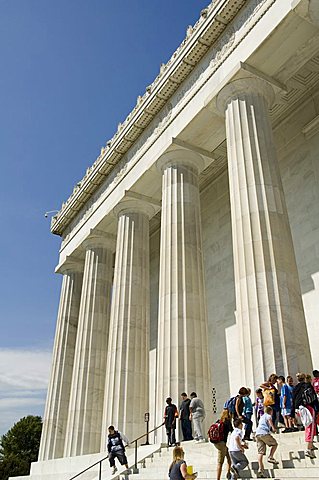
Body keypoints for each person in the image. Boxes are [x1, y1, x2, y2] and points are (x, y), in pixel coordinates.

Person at [292, 372, 319, 458]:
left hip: (299, 409)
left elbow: (293, 400)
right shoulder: (307, 385)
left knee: (309, 425)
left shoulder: (296, 387)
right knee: (310, 426)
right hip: (307, 407)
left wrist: (293, 414)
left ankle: (311, 444)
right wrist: (317, 408)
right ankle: (308, 448)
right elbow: (313, 398)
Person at [255, 406, 279, 477]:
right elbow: (269, 421)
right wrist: (273, 428)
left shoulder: (262, 416)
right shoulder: (268, 415)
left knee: (260, 452)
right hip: (264, 433)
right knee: (275, 444)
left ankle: (260, 468)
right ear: (270, 411)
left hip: (257, 434)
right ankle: (270, 457)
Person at [212, 409, 233, 480]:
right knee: (220, 462)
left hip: (216, 442)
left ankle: (228, 472)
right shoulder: (227, 422)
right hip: (221, 443)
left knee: (228, 456)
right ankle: (218, 478)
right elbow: (232, 431)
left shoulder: (219, 421)